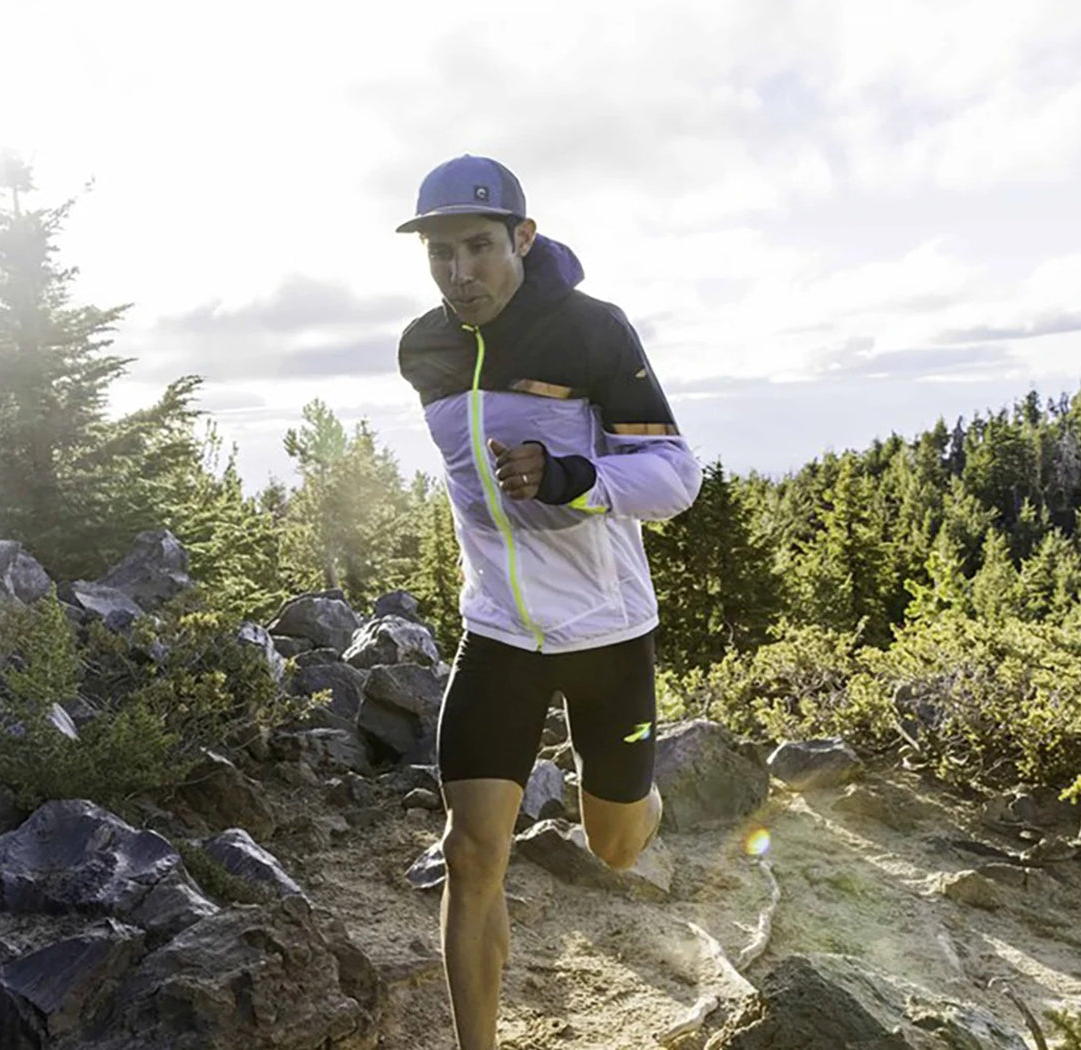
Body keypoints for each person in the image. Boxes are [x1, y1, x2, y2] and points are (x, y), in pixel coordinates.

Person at [395, 155, 702, 1050]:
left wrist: (574, 479)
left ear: (523, 239)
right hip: (496, 632)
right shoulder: (425, 349)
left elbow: (676, 475)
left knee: (616, 847)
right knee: (470, 851)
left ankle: (637, 797)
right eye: (441, 253)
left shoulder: (591, 332)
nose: (461, 273)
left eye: (481, 247)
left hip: (608, 635)